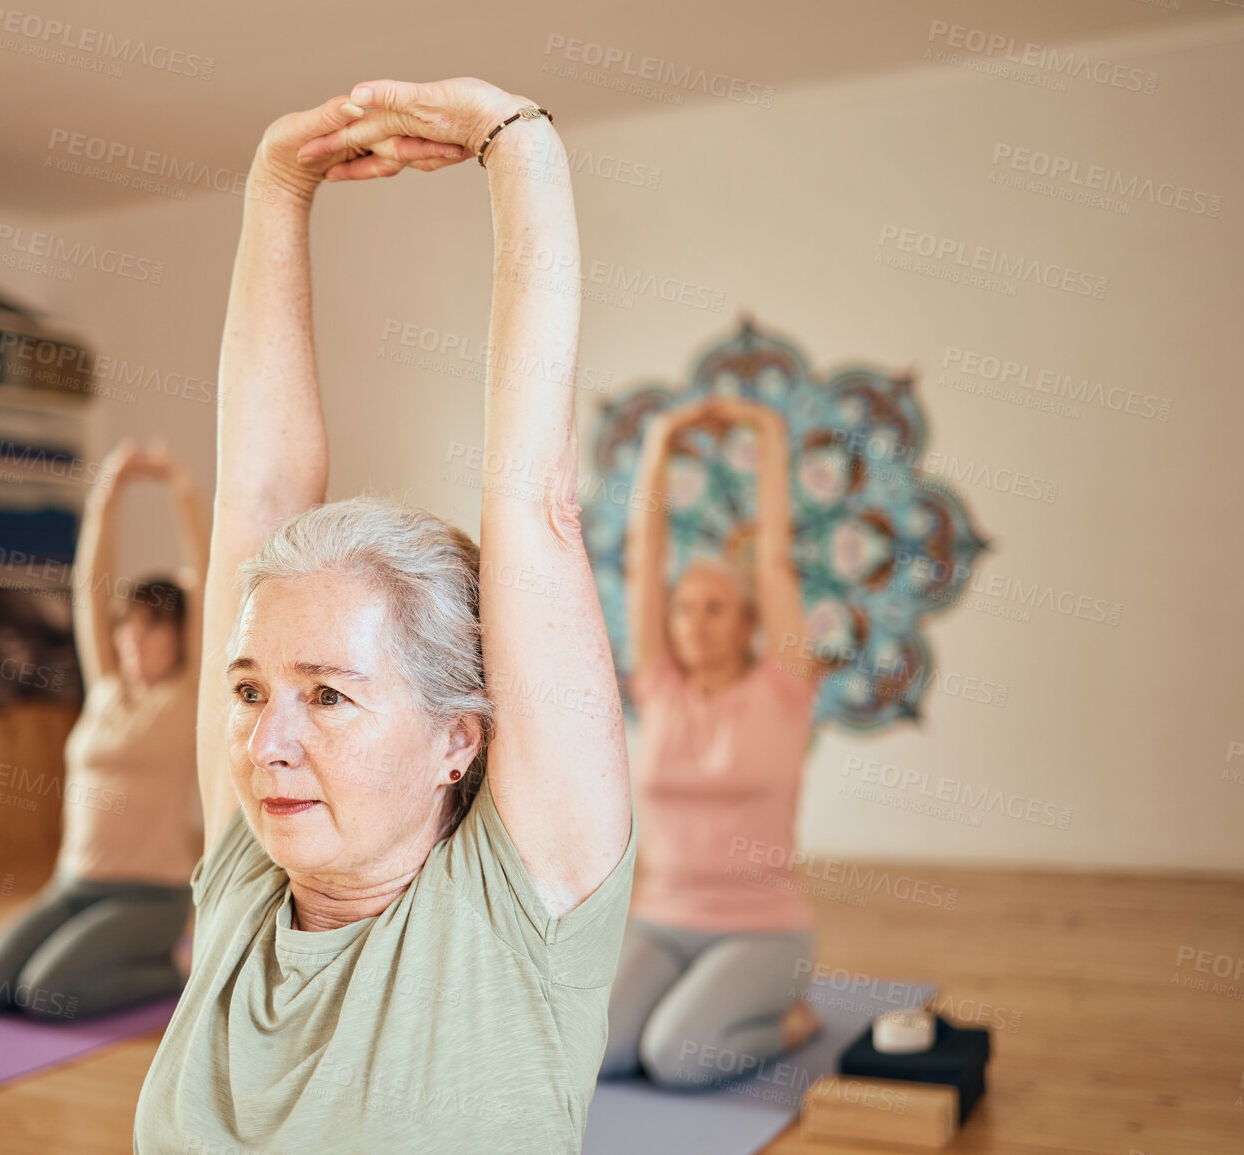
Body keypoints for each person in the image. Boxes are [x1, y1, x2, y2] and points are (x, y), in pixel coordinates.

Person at [131, 78, 635, 1154]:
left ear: (459, 737)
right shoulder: (246, 881)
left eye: (327, 695)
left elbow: (534, 508)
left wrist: (516, 143)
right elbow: (257, 503)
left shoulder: (519, 904)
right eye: (250, 688)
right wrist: (277, 183)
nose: (267, 741)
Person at [600, 395, 825, 1090]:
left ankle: (792, 1018)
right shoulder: (660, 686)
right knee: (598, 1053)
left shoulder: (782, 688)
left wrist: (769, 435)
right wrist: (661, 440)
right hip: (661, 920)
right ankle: (694, 997)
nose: (694, 622)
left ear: (748, 621)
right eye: (683, 607)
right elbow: (643, 559)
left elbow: (774, 564)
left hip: (762, 929)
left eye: (715, 607)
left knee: (677, 1057)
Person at [0, 438, 209, 1021]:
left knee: (47, 995)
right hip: (73, 884)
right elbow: (87, 587)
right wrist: (108, 491)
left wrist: (182, 489)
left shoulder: (186, 696)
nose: (133, 639)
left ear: (180, 636)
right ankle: (132, 960)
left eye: (152, 628)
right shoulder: (105, 688)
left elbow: (208, 581)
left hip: (149, 895)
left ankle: (169, 971)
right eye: (129, 626)